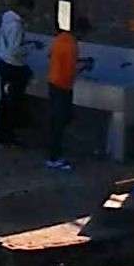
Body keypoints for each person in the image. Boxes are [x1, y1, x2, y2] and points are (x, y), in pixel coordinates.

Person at [0, 0, 33, 144]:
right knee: (11, 101)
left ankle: (2, 133)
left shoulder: (6, 19)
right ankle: (7, 134)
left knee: (5, 100)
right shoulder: (16, 25)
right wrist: (30, 47)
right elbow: (14, 50)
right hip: (13, 66)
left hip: (4, 63)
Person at [44, 14, 82, 168]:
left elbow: (50, 55)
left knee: (55, 122)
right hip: (63, 86)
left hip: (52, 82)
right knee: (60, 122)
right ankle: (55, 157)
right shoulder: (72, 45)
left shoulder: (60, 38)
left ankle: (53, 154)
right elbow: (70, 71)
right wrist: (83, 66)